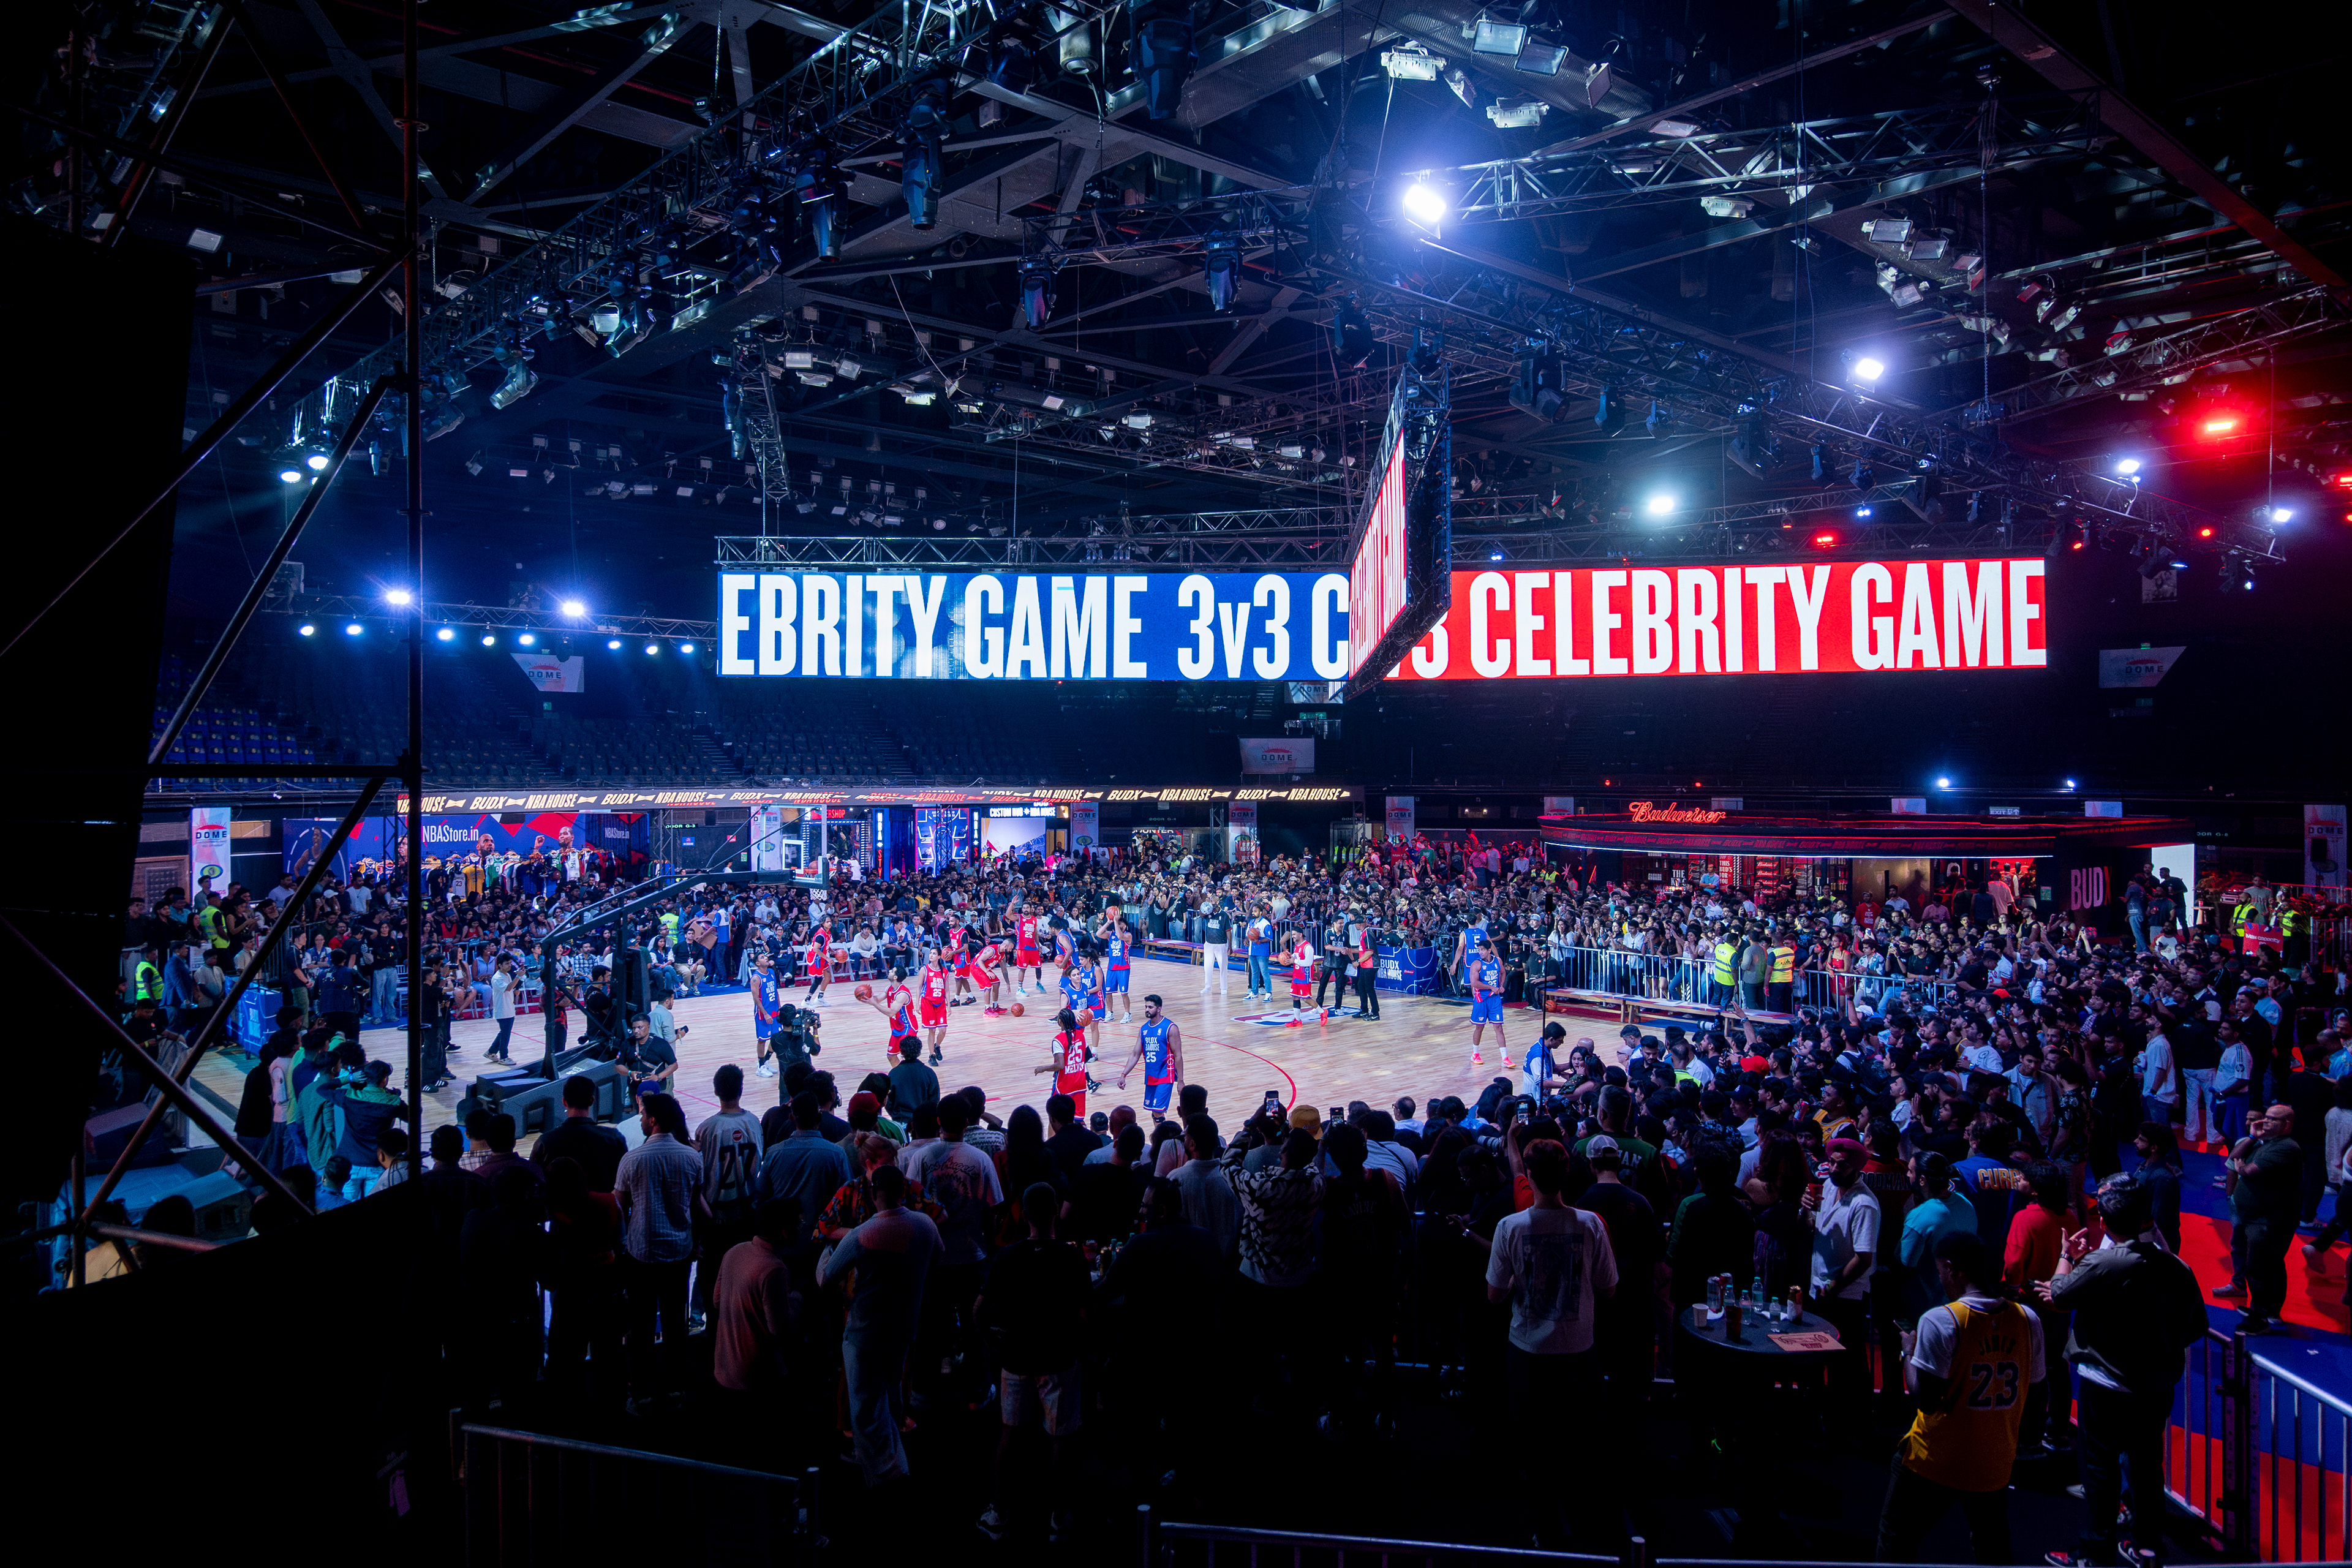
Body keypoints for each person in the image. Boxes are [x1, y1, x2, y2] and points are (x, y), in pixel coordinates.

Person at [2043, 1172, 2209, 1568]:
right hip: (2156, 1387)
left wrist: (2067, 1256)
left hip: (2106, 1386)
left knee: (2099, 1468)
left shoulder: (2104, 1261)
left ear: (2103, 1222)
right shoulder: (2178, 1267)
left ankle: (2095, 1551)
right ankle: (2147, 1546)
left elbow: (2060, 1294)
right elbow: (2197, 1326)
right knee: (2148, 1467)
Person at [1471, 1137, 1619, 1550]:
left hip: (1528, 1352)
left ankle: (1546, 1531)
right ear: (1568, 1173)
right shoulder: (1591, 1224)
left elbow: (1495, 1296)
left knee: (1534, 1444)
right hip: (1580, 1351)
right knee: (1578, 1441)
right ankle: (1585, 1530)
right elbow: (1609, 1287)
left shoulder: (1510, 1227)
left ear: (1530, 1177)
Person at [1878, 1232, 2045, 1564]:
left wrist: (1908, 1352)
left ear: (1951, 1268)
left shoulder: (1940, 1320)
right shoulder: (2028, 1320)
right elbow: (2038, 1394)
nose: (1941, 1278)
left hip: (1935, 1460)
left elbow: (1926, 1399)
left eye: (1941, 1271)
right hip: (1994, 1462)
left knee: (1895, 1537)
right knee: (1993, 1549)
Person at [974, 1180, 1093, 1541]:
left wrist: (992, 1342)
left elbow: (979, 1310)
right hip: (1060, 1359)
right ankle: (1059, 1516)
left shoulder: (1007, 1256)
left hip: (1016, 1358)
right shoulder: (1072, 1257)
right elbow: (1085, 1314)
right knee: (1061, 1438)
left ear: (1024, 1215)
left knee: (1010, 1433)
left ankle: (999, 1512)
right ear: (1056, 1211)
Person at [817, 1163, 940, 1489]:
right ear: (904, 1192)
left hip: (865, 1329)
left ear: (874, 1194)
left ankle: (882, 1474)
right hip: (904, 1325)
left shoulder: (862, 1234)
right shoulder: (925, 1225)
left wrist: (840, 1290)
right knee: (892, 1390)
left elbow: (827, 1279)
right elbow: (937, 1257)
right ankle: (897, 1459)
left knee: (864, 1404)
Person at [613, 1092, 702, 1414]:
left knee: (640, 1327)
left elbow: (619, 1208)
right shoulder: (692, 1157)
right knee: (676, 1324)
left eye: (642, 1115)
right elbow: (697, 1205)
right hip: (679, 1253)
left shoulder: (632, 1159)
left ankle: (641, 1394)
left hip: (642, 1254)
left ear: (652, 1120)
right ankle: (675, 1389)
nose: (639, 1119)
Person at [1807, 1136, 1883, 1420]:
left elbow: (1864, 1259)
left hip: (1845, 1295)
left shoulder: (1864, 1204)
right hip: (1820, 1287)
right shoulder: (1828, 1187)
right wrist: (1805, 1209)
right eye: (1832, 1162)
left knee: (1846, 1361)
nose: (1835, 1169)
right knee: (1821, 1355)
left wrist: (1835, 1287)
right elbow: (1812, 1227)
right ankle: (1828, 1415)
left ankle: (1854, 1422)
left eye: (1842, 1165)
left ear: (1857, 1168)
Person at [2217, 1102, 2302, 1333]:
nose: (2266, 1122)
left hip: (2269, 1220)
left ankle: (2260, 1317)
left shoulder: (2286, 1147)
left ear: (2287, 1124)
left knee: (2259, 1268)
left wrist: (2241, 1168)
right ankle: (2269, 1311)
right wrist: (2253, 1138)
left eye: (2273, 1119)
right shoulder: (2263, 1142)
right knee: (2268, 1264)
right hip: (2255, 1216)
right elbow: (2233, 1159)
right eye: (2266, 1117)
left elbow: (2248, 1171)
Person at [693, 1065, 765, 1323]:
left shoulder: (706, 1128)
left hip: (715, 1216)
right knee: (744, 1281)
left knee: (712, 1282)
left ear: (716, 1091)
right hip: (747, 1212)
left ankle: (709, 1328)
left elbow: (700, 1174)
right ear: (741, 1089)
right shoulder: (753, 1122)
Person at [532, 1073, 626, 1192]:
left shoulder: (545, 1142)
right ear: (592, 1100)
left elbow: (534, 1183)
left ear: (564, 1102)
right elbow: (625, 1181)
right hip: (603, 1203)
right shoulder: (614, 1138)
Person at [1114, 994, 1184, 1125]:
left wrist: (1180, 1081)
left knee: (1158, 1111)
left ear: (1159, 1009)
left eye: (1150, 1007)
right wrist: (1124, 1075)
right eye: (1146, 1007)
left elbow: (1178, 1056)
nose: (1147, 1009)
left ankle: (1161, 1137)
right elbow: (1135, 1055)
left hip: (1165, 1075)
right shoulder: (1143, 1029)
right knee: (1154, 1112)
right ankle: (1160, 1134)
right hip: (1151, 1076)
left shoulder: (1170, 1028)